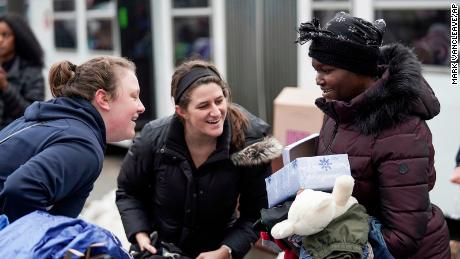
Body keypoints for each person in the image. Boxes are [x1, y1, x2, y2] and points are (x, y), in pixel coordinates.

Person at [296, 12, 450, 258]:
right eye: (316, 69)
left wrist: (326, 228)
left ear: (358, 70)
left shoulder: (401, 131)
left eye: (326, 70)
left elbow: (404, 237)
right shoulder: (340, 109)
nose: (318, 79)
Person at [116, 59, 282, 259]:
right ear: (181, 111)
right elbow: (129, 191)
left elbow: (257, 211)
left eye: (219, 101)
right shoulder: (153, 139)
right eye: (203, 105)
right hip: (161, 250)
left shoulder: (250, 142)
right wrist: (140, 235)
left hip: (217, 250)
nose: (216, 112)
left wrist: (227, 251)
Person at [0, 56, 145, 222]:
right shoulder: (83, 145)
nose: (141, 107)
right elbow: (20, 189)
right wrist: (26, 240)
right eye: (134, 96)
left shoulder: (55, 119)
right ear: (103, 99)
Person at [0, 13, 45, 129]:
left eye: (5, 35)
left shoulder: (32, 71)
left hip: (14, 136)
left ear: (18, 37)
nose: (0, 40)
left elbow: (33, 113)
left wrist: (5, 87)